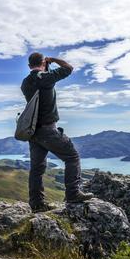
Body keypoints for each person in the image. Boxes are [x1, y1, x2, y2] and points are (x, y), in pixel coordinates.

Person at [21, 52, 94, 213]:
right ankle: (73, 194)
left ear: (28, 66)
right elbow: (68, 68)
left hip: (33, 133)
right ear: (43, 62)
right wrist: (52, 60)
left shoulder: (25, 83)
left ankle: (37, 204)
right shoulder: (46, 78)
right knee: (72, 157)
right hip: (48, 130)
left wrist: (44, 66)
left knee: (37, 169)